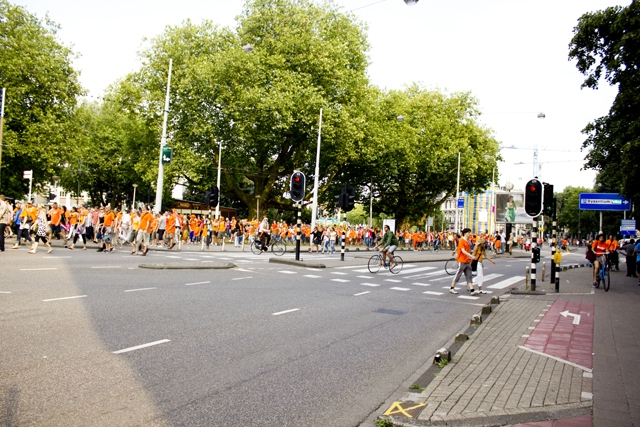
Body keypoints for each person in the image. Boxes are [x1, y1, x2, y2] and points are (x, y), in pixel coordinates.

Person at [450, 228, 476, 294]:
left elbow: (467, 251)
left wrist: (469, 257)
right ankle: (452, 288)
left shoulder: (467, 241)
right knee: (458, 274)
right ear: (465, 233)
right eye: (468, 232)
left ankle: (472, 290)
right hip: (461, 260)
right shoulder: (461, 240)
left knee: (469, 275)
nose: (470, 234)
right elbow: (463, 251)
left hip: (467, 261)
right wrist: (471, 256)